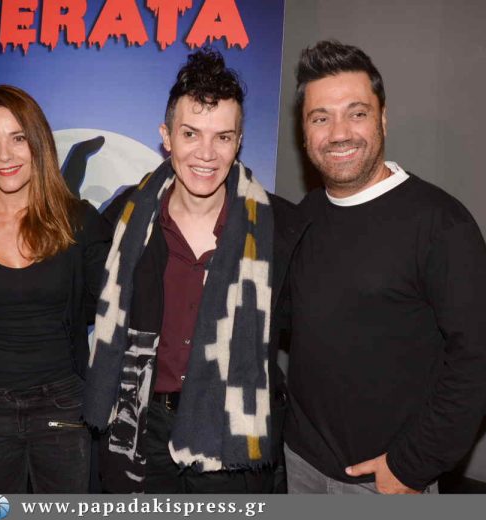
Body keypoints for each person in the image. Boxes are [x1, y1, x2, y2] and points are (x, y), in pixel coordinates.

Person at [284, 40, 486, 494]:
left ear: (382, 118)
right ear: (304, 132)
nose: (339, 133)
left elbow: (481, 361)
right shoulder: (305, 214)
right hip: (299, 462)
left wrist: (412, 465)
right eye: (320, 118)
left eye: (356, 113)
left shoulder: (440, 223)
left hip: (383, 478)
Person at [82, 47, 307, 493]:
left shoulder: (280, 228)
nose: (206, 153)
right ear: (166, 136)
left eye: (223, 137)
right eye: (191, 133)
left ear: (239, 142)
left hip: (233, 435)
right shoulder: (124, 218)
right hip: (141, 431)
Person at [0, 85, 110, 493]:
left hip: (61, 405)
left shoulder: (79, 222)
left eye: (17, 138)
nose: (4, 155)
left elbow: (107, 303)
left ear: (38, 143)